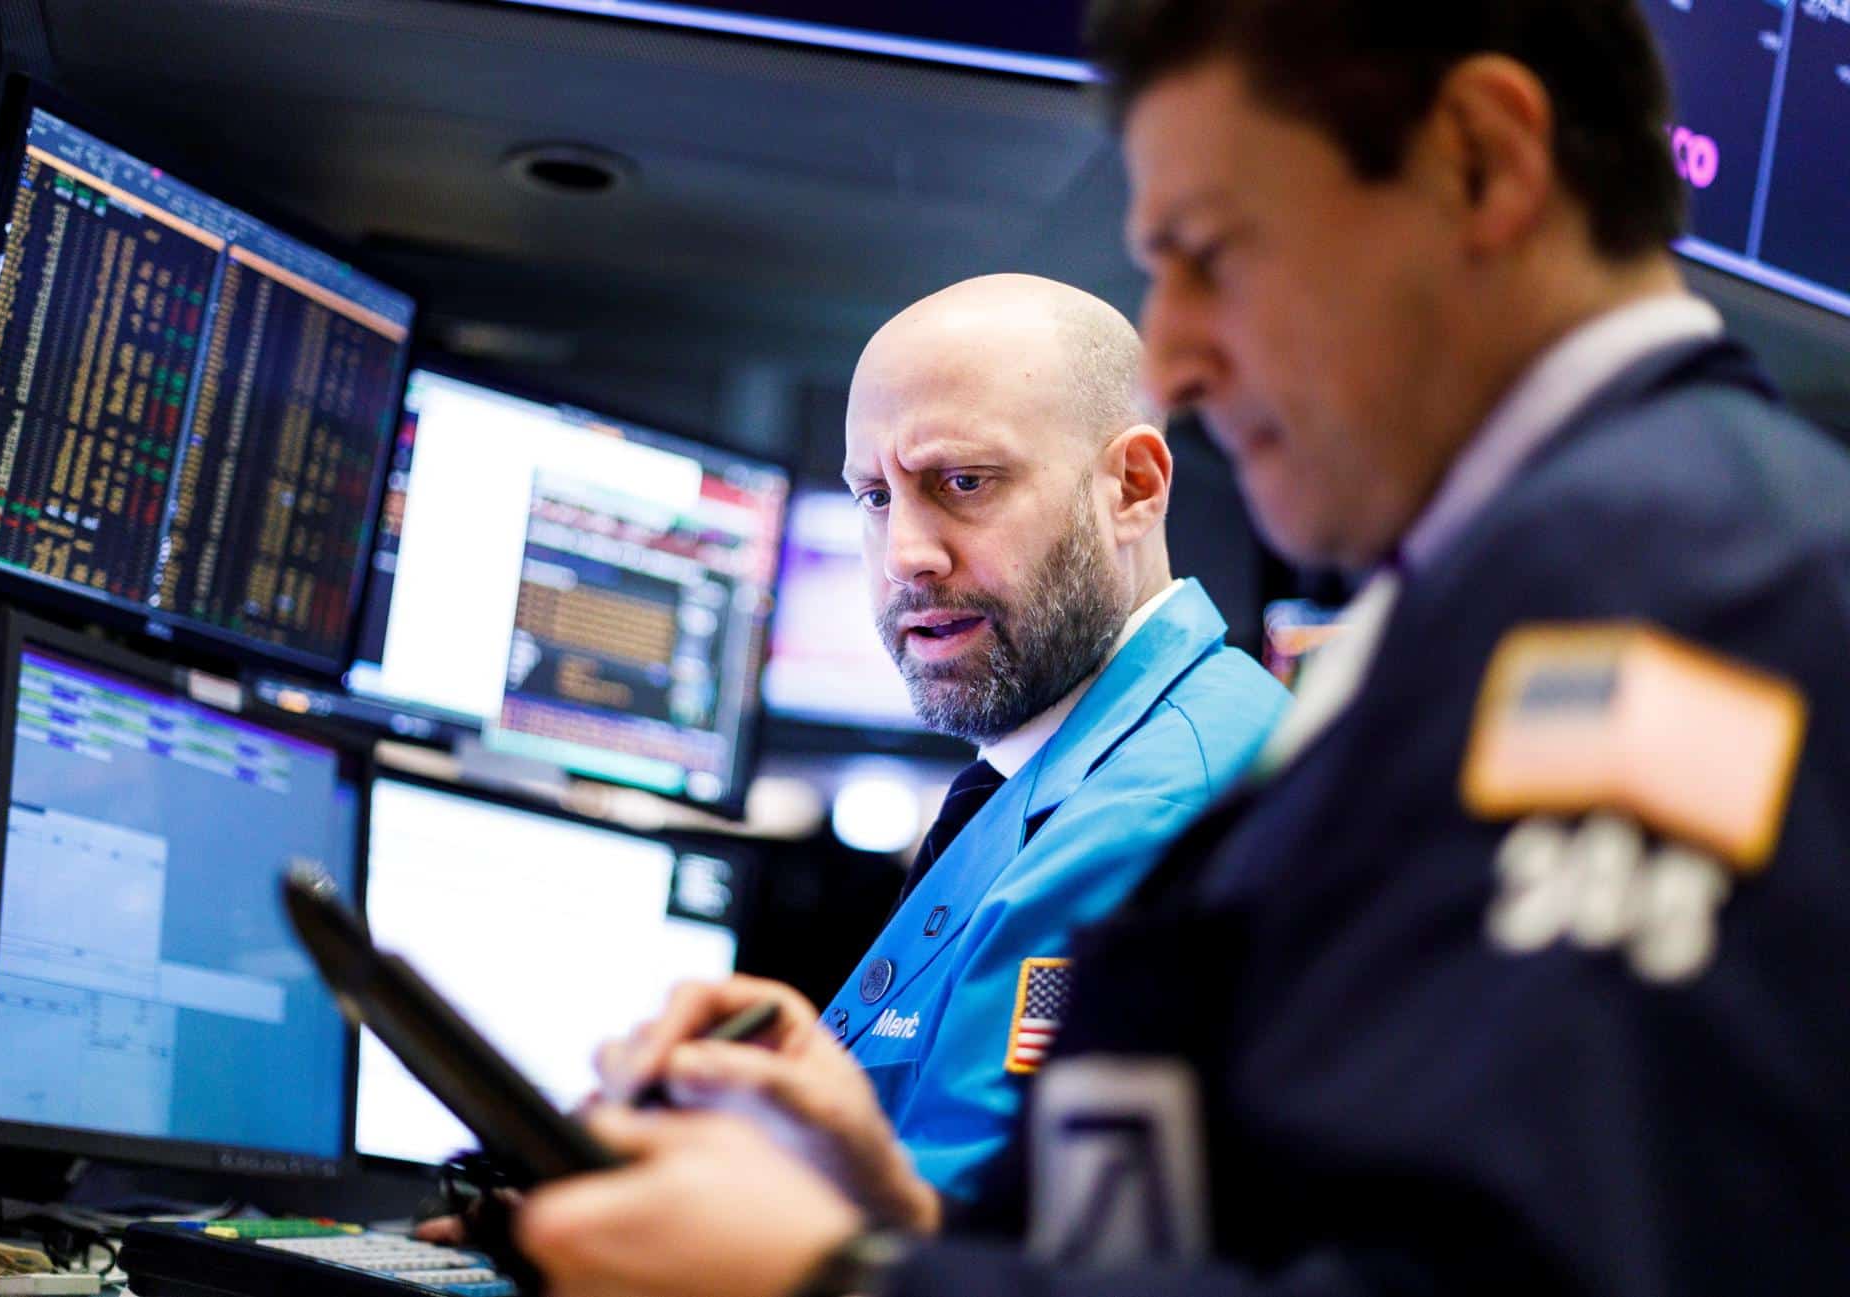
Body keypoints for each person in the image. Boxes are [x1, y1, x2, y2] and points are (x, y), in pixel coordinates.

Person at [510, 2, 1850, 1294]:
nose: (1186, 358)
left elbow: (1519, 1268)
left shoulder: (1668, 593)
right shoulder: (1498, 603)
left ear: (1479, 163)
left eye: (1212, 253)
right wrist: (891, 1203)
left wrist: (828, 1285)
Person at [606, 272, 1286, 1212]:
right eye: (875, 496)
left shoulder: (1158, 809)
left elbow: (973, 1255)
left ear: (1133, 486)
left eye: (963, 483)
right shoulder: (1062, 765)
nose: (906, 555)